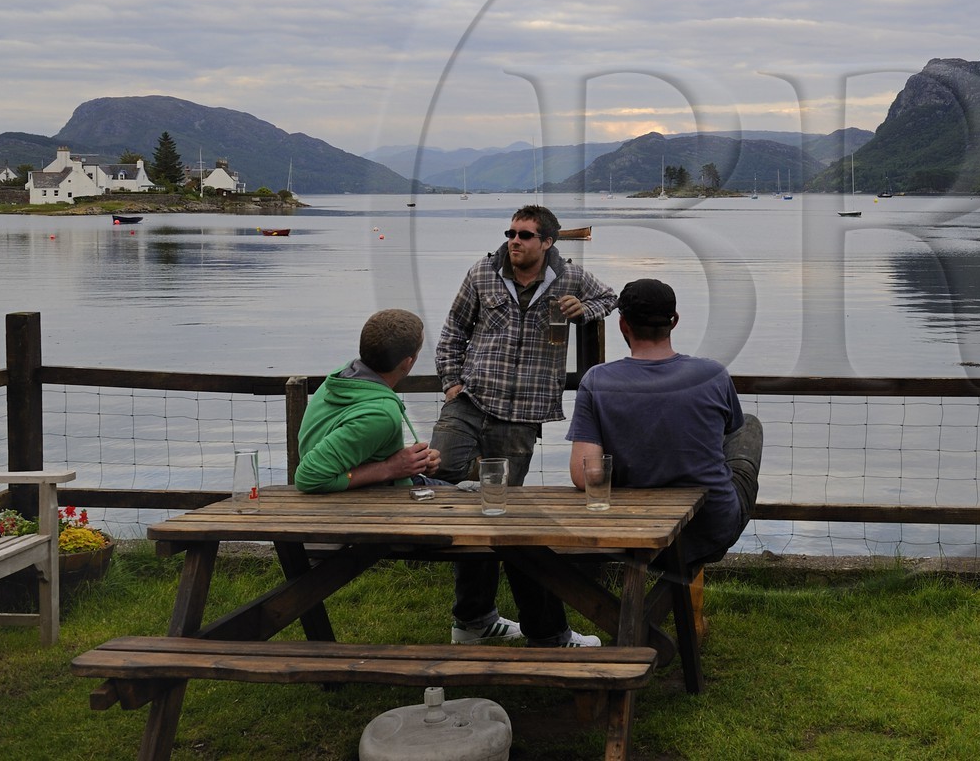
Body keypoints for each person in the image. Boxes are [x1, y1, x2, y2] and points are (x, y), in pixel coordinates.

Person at [433, 204, 616, 647]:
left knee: (494, 512)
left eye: (525, 235)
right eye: (511, 233)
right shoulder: (482, 272)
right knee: (441, 481)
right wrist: (452, 385)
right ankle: (481, 616)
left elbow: (612, 298)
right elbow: (453, 331)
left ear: (548, 242)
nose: (514, 240)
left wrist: (584, 309)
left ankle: (472, 620)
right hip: (470, 402)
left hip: (522, 415)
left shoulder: (571, 277)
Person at [567, 278, 762, 568]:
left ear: (623, 325)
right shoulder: (713, 374)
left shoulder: (597, 380)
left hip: (631, 529)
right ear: (675, 322)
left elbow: (587, 477)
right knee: (748, 424)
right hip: (709, 528)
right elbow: (726, 432)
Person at [294, 308, 440, 492]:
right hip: (369, 497)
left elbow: (357, 433)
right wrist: (390, 468)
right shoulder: (381, 414)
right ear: (407, 362)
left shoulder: (343, 377)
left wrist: (411, 460)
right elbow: (308, 477)